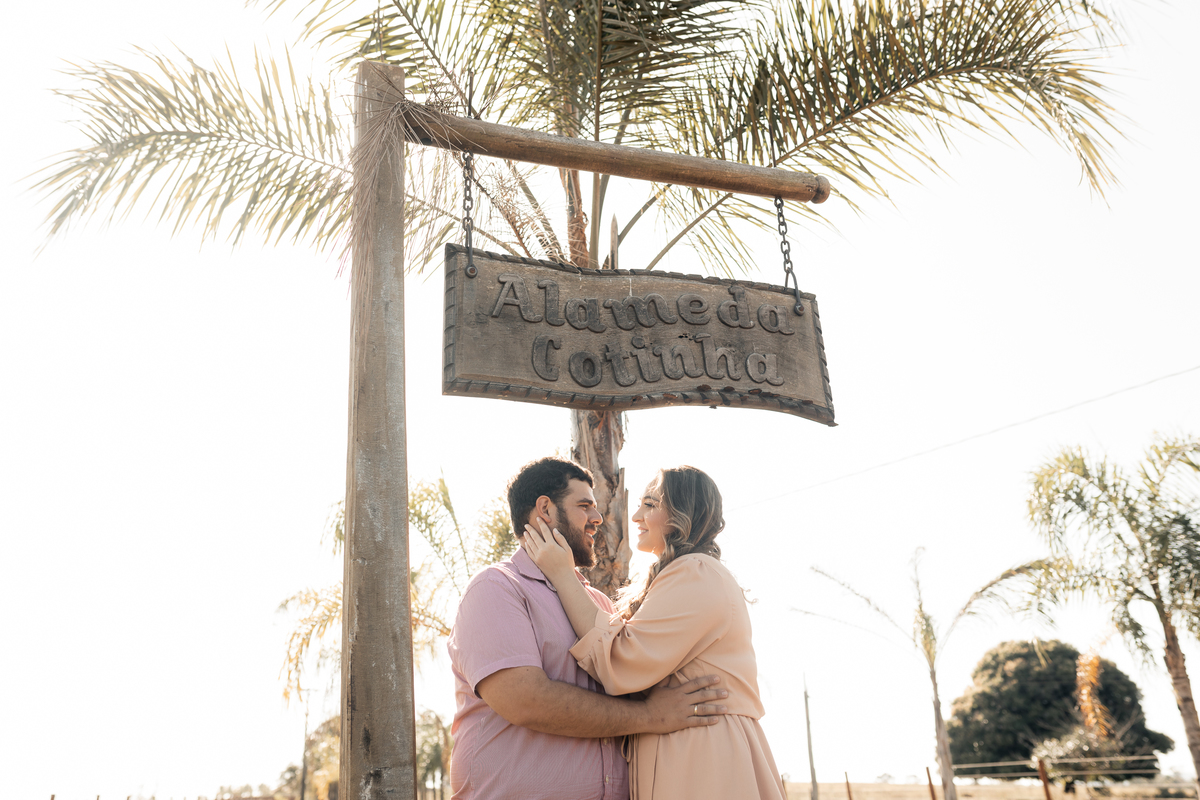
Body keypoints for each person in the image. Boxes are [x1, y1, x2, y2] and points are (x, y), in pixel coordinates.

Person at [447, 456, 730, 800]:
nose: (598, 518)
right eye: (584, 506)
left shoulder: (599, 604)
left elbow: (630, 673)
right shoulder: (496, 588)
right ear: (545, 510)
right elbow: (525, 701)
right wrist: (651, 716)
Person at [522, 465, 785, 800]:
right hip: (692, 744)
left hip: (702, 753)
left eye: (649, 505)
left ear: (682, 513)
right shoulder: (687, 574)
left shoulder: (696, 573)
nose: (635, 516)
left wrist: (562, 575)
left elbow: (624, 662)